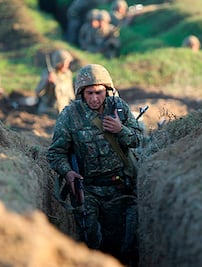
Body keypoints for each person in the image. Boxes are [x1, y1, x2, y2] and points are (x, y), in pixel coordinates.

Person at [47, 64, 143, 265]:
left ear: (106, 90)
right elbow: (56, 153)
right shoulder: (70, 115)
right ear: (81, 93)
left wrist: (120, 130)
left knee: (127, 244)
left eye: (98, 92)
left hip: (121, 188)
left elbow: (140, 141)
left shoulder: (119, 108)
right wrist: (68, 173)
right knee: (91, 241)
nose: (94, 98)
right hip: (88, 190)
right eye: (89, 93)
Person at [35, 49, 75, 115]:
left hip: (63, 110)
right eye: (63, 63)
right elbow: (38, 92)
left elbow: (70, 94)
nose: (66, 65)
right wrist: (47, 82)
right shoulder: (47, 74)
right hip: (49, 110)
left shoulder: (68, 74)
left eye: (67, 62)